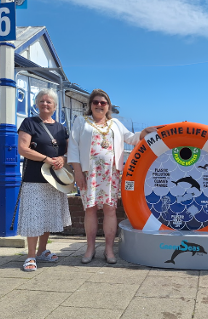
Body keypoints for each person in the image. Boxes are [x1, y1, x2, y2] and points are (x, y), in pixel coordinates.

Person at [67, 89, 156, 264]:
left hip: (111, 173)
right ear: (90, 105)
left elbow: (131, 138)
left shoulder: (115, 123)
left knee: (110, 210)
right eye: (96, 102)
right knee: (90, 210)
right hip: (88, 173)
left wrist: (144, 132)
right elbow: (73, 147)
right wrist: (77, 172)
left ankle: (109, 249)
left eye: (103, 102)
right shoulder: (80, 121)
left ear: (108, 106)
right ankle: (90, 248)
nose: (99, 105)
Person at [17, 88, 72, 272]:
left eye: (49, 102)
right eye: (42, 101)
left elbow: (66, 151)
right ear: (37, 103)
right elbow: (23, 149)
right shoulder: (29, 123)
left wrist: (62, 159)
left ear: (55, 106)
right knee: (33, 220)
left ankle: (42, 250)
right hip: (34, 179)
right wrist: (46, 159)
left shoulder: (61, 128)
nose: (45, 104)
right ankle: (30, 256)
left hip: (54, 180)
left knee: (47, 217)